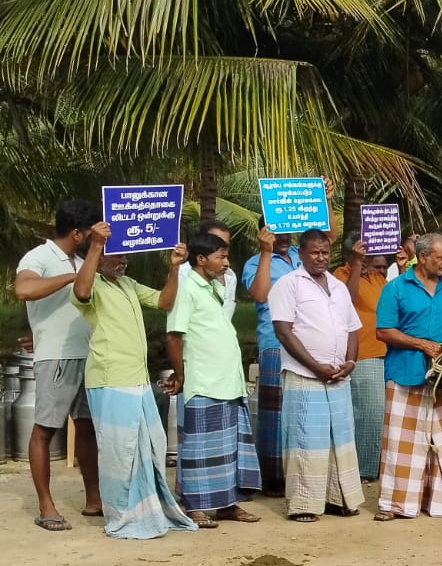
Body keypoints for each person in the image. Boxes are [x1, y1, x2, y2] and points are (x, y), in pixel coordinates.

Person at [71, 221, 194, 538]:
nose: (124, 261)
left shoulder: (127, 284)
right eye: (118, 255)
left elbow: (164, 302)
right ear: (101, 256)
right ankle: (121, 515)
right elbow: (81, 292)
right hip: (110, 379)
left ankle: (147, 512)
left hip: (136, 377)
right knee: (118, 452)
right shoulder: (91, 282)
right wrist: (96, 245)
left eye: (126, 256)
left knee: (150, 445)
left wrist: (174, 268)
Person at [14, 200, 103, 530]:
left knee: (87, 428)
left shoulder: (82, 259)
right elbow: (23, 289)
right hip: (56, 356)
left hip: (88, 354)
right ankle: (46, 506)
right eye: (92, 233)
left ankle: (94, 498)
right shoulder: (38, 257)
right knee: (45, 430)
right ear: (77, 233)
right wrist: (72, 276)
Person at [269, 229, 365, 523]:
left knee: (340, 439)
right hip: (305, 375)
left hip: (338, 376)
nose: (321, 258)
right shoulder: (288, 285)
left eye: (324, 252)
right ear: (301, 254)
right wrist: (315, 367)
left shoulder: (338, 286)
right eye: (314, 252)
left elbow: (352, 328)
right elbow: (283, 332)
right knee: (306, 439)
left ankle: (338, 499)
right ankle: (303, 504)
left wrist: (350, 361)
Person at [166, 232, 261, 527]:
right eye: (221, 257)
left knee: (228, 448)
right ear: (201, 259)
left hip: (227, 382)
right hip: (204, 382)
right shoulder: (187, 289)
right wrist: (181, 374)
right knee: (200, 449)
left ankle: (227, 505)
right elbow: (173, 335)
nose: (226, 262)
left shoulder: (212, 287)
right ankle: (195, 507)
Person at [373, 232, 442, 520]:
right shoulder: (395, 288)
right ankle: (394, 505)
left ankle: (437, 502)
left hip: (440, 378)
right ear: (422, 257)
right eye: (440, 258)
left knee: (440, 442)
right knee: (400, 442)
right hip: (404, 373)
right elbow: (383, 331)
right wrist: (422, 344)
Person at [242, 225, 303, 497]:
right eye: (277, 232)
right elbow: (259, 294)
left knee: (301, 407)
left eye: (288, 231)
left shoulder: (302, 253)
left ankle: (300, 473)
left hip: (308, 341)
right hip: (275, 342)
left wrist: (323, 204)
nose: (284, 237)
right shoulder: (254, 262)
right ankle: (272, 478)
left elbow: (330, 236)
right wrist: (266, 252)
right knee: (274, 413)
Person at [334, 232, 390, 481]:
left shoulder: (378, 278)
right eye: (363, 254)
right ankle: (364, 469)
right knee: (370, 413)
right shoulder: (340, 274)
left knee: (379, 414)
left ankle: (375, 465)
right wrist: (357, 265)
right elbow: (346, 300)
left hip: (385, 352)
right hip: (364, 354)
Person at [178, 220, 238, 317]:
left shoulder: (230, 276)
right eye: (216, 243)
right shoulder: (182, 273)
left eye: (225, 246)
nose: (221, 249)